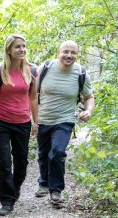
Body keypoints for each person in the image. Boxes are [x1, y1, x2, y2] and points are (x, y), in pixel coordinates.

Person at [35, 40, 95, 205]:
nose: (69, 55)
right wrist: (30, 117)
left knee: (58, 152)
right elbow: (31, 92)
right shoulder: (45, 68)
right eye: (65, 52)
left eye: (73, 53)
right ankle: (44, 182)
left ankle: (56, 190)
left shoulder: (81, 73)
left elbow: (89, 97)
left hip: (65, 120)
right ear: (58, 52)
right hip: (42, 119)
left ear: (77, 55)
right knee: (43, 154)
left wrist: (88, 110)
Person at [0, 33, 38, 216]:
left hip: (23, 122)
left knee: (22, 163)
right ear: (8, 50)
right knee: (4, 163)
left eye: (24, 46)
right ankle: (7, 201)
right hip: (1, 122)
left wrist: (36, 122)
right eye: (17, 46)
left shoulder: (32, 71)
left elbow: (33, 98)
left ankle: (15, 189)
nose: (22, 50)